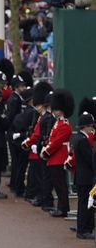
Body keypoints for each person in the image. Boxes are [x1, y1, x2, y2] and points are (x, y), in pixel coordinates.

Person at [41, 89, 73, 218]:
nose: (54, 111)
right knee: (57, 184)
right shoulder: (58, 122)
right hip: (55, 156)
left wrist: (46, 151)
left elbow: (57, 142)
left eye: (57, 109)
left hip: (59, 157)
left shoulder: (64, 124)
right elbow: (52, 139)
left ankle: (63, 208)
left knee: (60, 184)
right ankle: (61, 206)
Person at [73, 112, 95, 239]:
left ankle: (83, 228)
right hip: (86, 178)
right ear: (86, 126)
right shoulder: (83, 141)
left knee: (84, 204)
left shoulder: (79, 139)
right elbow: (90, 160)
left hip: (82, 177)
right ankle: (83, 229)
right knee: (86, 205)